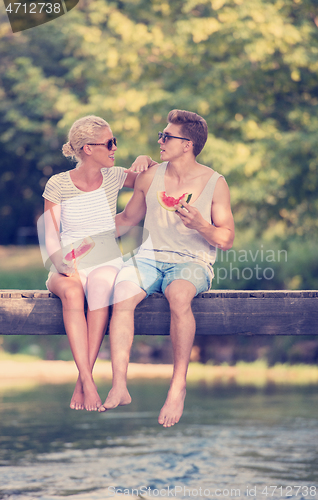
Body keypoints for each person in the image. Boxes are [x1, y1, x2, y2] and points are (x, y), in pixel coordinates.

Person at [99, 109, 235, 427]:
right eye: (161, 135)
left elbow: (226, 239)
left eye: (166, 136)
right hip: (149, 257)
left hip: (193, 261)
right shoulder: (150, 176)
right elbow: (127, 219)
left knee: (178, 295)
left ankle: (177, 387)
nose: (160, 140)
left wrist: (201, 225)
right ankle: (119, 383)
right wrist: (84, 237)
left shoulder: (215, 183)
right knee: (121, 293)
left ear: (187, 144)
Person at [42, 115, 156, 412]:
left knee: (102, 286)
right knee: (73, 292)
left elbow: (149, 177)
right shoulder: (58, 184)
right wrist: (62, 264)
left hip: (105, 257)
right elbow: (51, 236)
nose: (115, 148)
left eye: (114, 141)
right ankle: (88, 382)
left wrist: (146, 159)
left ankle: (83, 381)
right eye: (109, 143)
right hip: (67, 259)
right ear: (88, 148)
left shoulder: (116, 175)